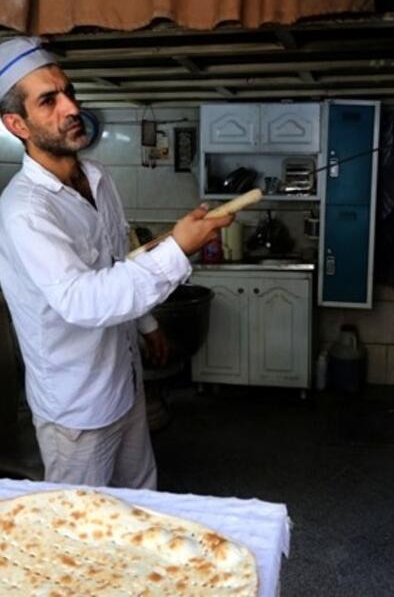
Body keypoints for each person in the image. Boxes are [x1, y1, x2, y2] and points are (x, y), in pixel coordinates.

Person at [0, 36, 233, 489]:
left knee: (142, 497)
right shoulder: (25, 211)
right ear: (17, 124)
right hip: (77, 405)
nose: (71, 108)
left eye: (69, 92)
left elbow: (115, 262)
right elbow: (81, 301)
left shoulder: (98, 177)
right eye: (49, 101)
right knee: (82, 527)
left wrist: (147, 326)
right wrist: (177, 248)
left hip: (124, 381)